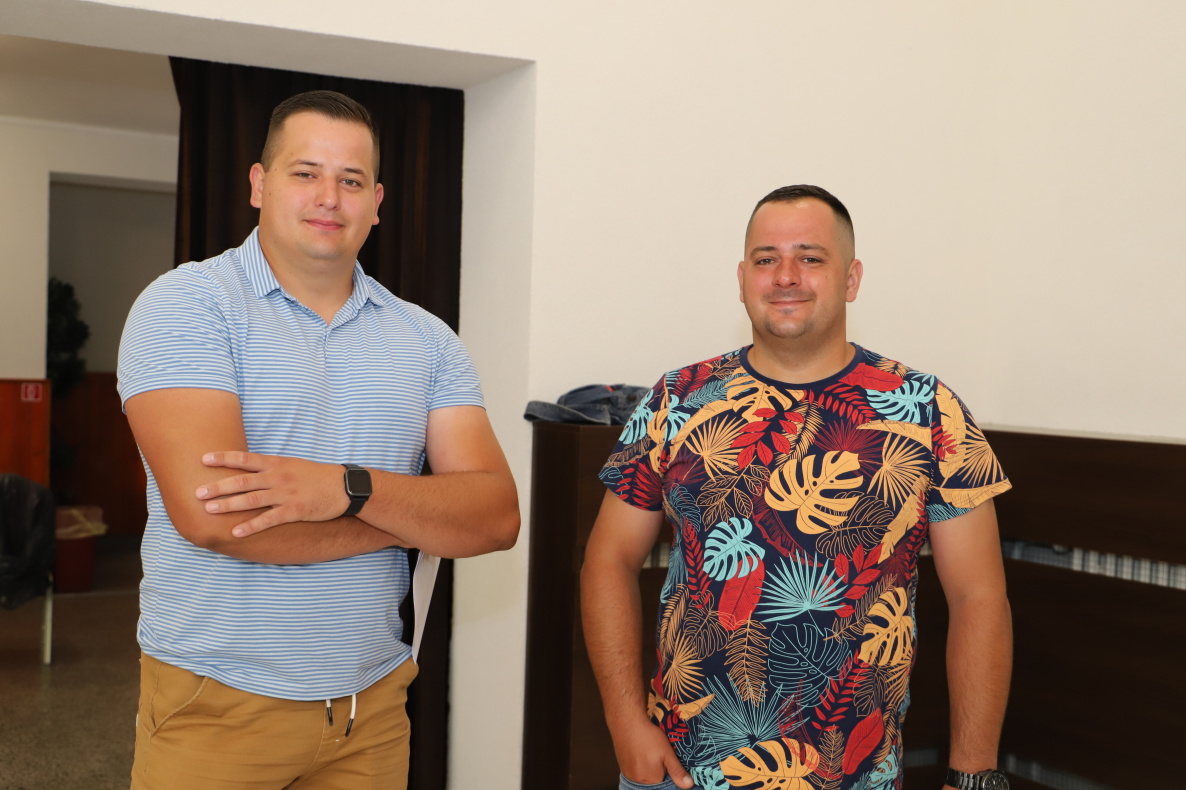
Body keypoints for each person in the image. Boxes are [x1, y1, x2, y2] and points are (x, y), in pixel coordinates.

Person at [117, 90, 519, 790]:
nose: (329, 197)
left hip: (372, 711)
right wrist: (410, 520)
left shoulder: (428, 340)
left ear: (377, 202)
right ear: (259, 183)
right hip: (215, 705)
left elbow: (495, 517)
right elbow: (217, 519)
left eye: (351, 180)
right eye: (305, 173)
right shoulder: (186, 306)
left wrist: (344, 488)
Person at [581, 185, 1012, 790]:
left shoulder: (926, 410)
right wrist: (624, 721)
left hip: (855, 775)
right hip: (681, 772)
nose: (786, 276)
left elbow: (979, 597)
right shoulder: (678, 399)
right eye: (766, 259)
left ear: (851, 278)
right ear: (742, 279)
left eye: (810, 257)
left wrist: (974, 776)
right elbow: (608, 559)